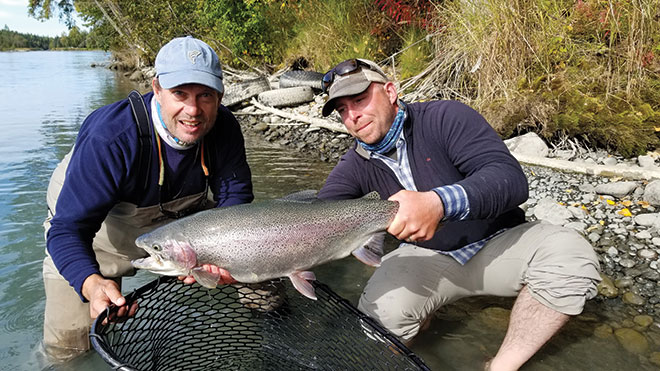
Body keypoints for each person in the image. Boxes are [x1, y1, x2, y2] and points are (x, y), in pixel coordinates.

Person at [317, 58, 601, 370]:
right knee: (376, 324)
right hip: (425, 257)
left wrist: (438, 203)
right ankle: (419, 320)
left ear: (391, 91)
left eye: (359, 100)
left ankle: (502, 365)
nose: (353, 116)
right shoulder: (354, 164)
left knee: (571, 257)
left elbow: (509, 179)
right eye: (343, 110)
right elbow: (317, 216)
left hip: (498, 240)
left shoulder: (445, 117)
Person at [42, 36, 253, 361]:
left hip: (179, 222)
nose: (193, 110)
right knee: (69, 351)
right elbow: (67, 230)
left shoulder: (223, 126)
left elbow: (236, 206)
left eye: (205, 96)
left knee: (263, 266)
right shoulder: (111, 139)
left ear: (220, 96)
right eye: (179, 94)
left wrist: (226, 259)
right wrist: (91, 282)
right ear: (156, 89)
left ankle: (268, 319)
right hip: (91, 227)